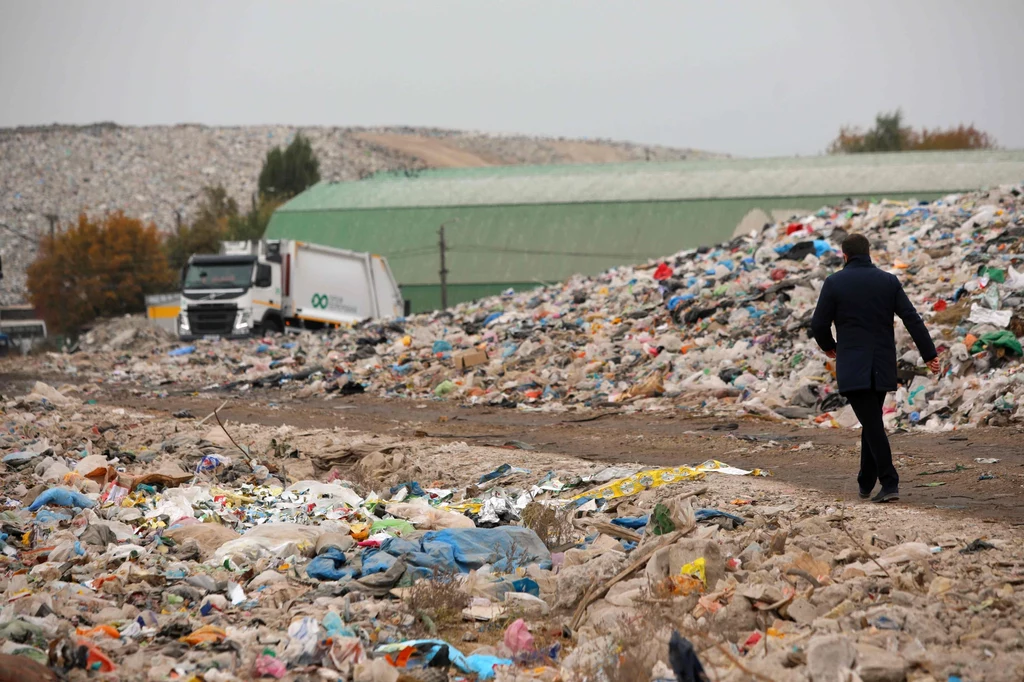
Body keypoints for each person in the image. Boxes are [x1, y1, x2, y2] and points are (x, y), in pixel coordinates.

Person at [810, 233, 939, 503]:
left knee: (872, 422)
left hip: (852, 365)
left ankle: (889, 481)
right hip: (881, 365)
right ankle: (865, 481)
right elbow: (911, 318)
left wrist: (829, 346)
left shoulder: (834, 283)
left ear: (844, 255)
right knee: (871, 421)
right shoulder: (888, 281)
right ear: (869, 252)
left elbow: (818, 324)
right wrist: (929, 353)